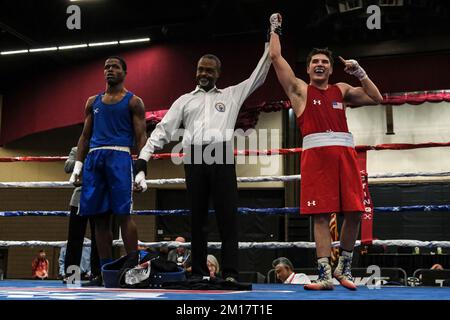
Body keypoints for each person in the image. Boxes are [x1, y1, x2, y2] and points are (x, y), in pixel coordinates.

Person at [133, 34, 272, 283]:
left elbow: (258, 76)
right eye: (200, 69)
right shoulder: (185, 100)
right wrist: (143, 159)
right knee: (197, 219)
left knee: (227, 217)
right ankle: (197, 273)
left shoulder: (231, 94)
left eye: (209, 70)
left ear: (218, 73)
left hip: (221, 155)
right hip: (195, 157)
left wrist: (272, 38)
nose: (203, 73)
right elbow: (162, 131)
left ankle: (230, 274)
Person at [268, 13, 383, 290]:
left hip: (345, 156)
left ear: (331, 69)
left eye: (325, 62)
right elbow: (275, 57)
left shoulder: (341, 89)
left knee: (354, 212)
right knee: (321, 215)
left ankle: (343, 268)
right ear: (308, 69)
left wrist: (360, 73)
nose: (320, 65)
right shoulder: (299, 90)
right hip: (317, 159)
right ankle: (324, 275)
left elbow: (376, 98)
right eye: (315, 62)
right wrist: (275, 29)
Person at [69, 56, 148, 286]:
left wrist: (142, 170)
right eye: (106, 67)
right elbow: (84, 136)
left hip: (120, 157)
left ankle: (133, 268)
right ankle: (105, 272)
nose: (109, 70)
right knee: (99, 218)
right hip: (94, 158)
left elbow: (141, 136)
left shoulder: (134, 102)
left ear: (125, 72)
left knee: (124, 214)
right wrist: (78, 166)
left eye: (114, 67)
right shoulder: (92, 102)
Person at [63, 146, 101, 285]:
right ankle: (71, 275)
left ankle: (97, 274)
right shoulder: (77, 150)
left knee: (98, 238)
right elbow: (67, 167)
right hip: (79, 198)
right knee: (75, 238)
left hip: (98, 197)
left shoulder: (102, 150)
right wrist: (84, 160)